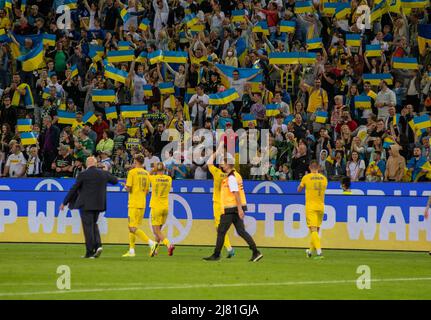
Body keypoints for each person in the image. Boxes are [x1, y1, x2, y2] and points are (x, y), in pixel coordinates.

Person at [204, 151, 262, 262]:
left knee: (221, 231)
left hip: (231, 208)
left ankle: (216, 255)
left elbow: (236, 193)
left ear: (228, 165)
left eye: (223, 163)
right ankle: (256, 252)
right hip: (235, 207)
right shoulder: (237, 175)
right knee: (241, 231)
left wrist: (239, 209)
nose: (221, 164)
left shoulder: (231, 178)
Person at [60, 156, 118, 258]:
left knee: (88, 227)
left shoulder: (83, 174)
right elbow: (115, 181)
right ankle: (98, 246)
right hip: (99, 204)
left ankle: (90, 251)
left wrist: (64, 202)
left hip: (85, 204)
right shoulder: (103, 173)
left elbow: (74, 188)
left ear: (87, 164)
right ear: (96, 163)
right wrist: (106, 170)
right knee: (93, 224)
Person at [121, 154, 156, 258]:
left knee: (132, 227)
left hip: (134, 203)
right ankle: (131, 250)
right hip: (142, 202)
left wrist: (125, 186)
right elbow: (146, 191)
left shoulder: (132, 172)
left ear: (136, 161)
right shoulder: (146, 173)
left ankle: (151, 243)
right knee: (133, 226)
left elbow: (129, 188)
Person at [297, 160, 328, 259]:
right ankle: (310, 251)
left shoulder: (306, 177)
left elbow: (299, 189)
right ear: (318, 168)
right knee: (316, 231)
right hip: (321, 206)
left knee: (313, 230)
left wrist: (304, 184)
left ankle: (319, 253)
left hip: (311, 207)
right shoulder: (324, 178)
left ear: (310, 167)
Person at [207, 151, 235, 258]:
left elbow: (209, 162)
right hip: (228, 203)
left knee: (219, 227)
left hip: (218, 203)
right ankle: (228, 248)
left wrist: (216, 152)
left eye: (222, 162)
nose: (220, 164)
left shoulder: (217, 173)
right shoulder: (232, 173)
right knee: (221, 227)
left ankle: (229, 249)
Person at [148, 162, 174, 257]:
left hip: (156, 207)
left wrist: (153, 169)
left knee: (156, 231)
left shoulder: (154, 178)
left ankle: (168, 245)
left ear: (156, 170)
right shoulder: (169, 179)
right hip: (165, 207)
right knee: (159, 231)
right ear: (164, 169)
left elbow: (147, 175)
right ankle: (154, 250)